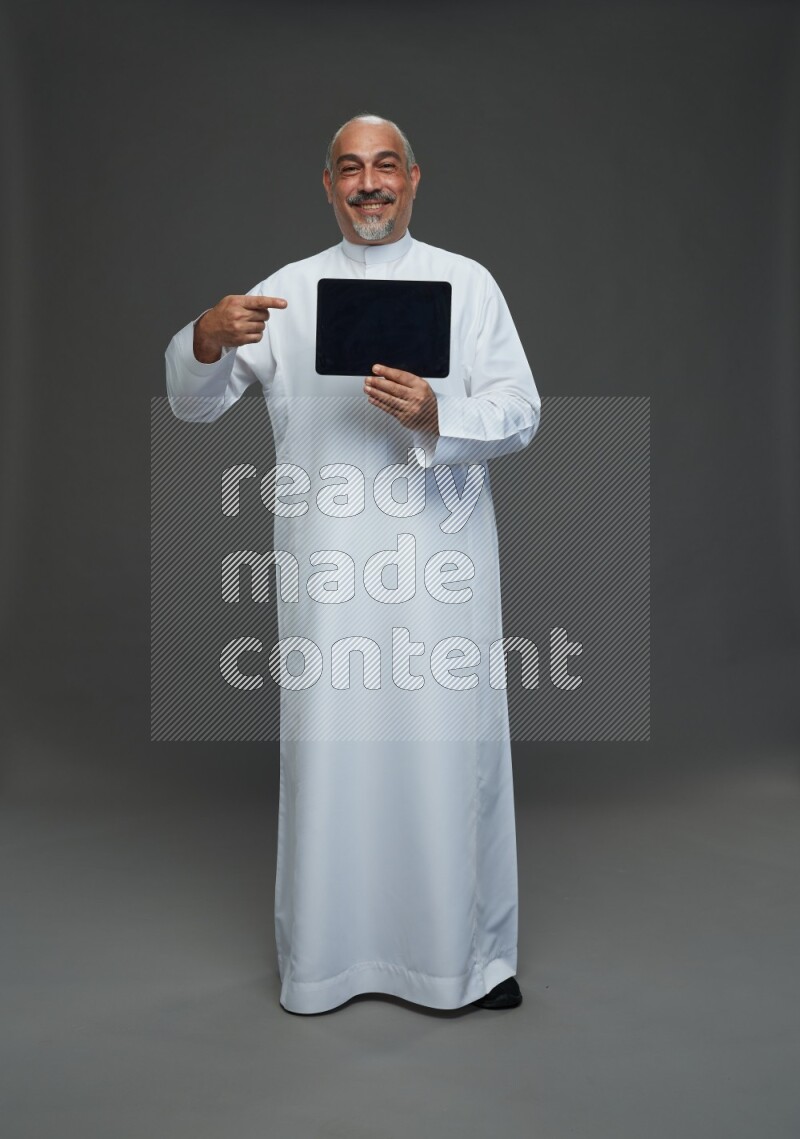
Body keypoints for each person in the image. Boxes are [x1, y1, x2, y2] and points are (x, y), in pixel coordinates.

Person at [165, 114, 541, 1014]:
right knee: (333, 758)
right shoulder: (287, 294)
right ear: (327, 185)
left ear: (415, 178)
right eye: (349, 169)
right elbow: (193, 404)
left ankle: (466, 960)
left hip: (441, 570)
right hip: (330, 574)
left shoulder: (467, 284)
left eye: (385, 167)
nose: (368, 184)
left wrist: (436, 414)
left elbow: (522, 412)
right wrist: (208, 335)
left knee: (449, 754)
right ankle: (328, 963)